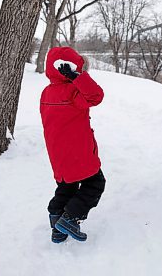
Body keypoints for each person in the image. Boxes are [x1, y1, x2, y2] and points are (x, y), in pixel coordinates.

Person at [40, 46, 106, 243]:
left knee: (66, 186)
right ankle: (70, 218)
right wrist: (77, 78)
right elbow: (96, 96)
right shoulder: (73, 91)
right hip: (78, 151)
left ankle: (57, 225)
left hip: (57, 152)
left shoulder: (46, 93)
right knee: (95, 184)